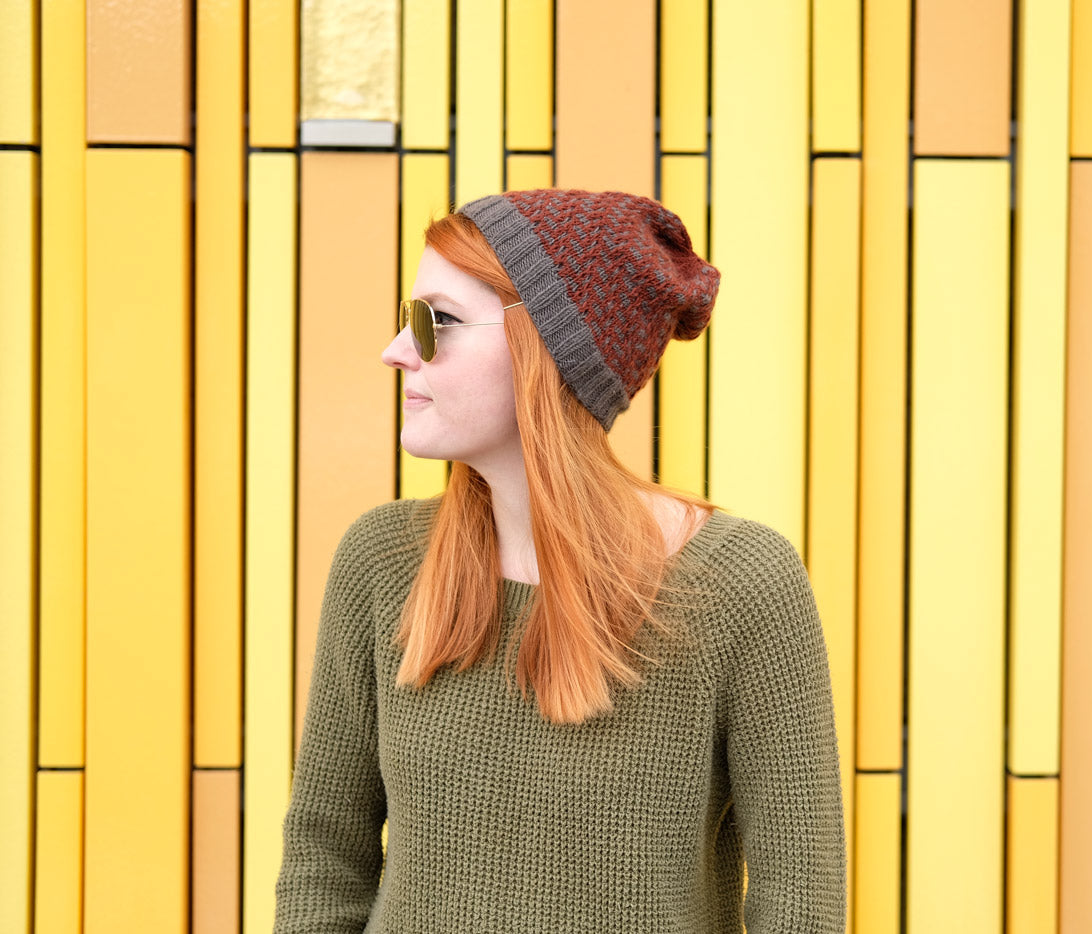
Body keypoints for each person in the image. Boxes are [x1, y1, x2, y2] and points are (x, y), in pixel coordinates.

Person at [273, 188, 847, 933]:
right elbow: (324, 862)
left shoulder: (740, 585)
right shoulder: (383, 562)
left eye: (435, 321)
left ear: (545, 346)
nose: (396, 350)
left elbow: (800, 906)